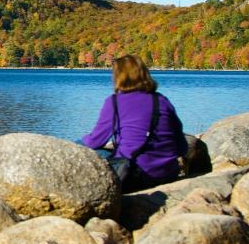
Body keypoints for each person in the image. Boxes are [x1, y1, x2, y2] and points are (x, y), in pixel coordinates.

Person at [80, 54, 188, 191]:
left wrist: (75, 144)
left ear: (118, 77)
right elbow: (182, 147)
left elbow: (94, 141)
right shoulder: (161, 101)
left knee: (81, 148)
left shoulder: (114, 102)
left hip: (135, 175)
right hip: (167, 174)